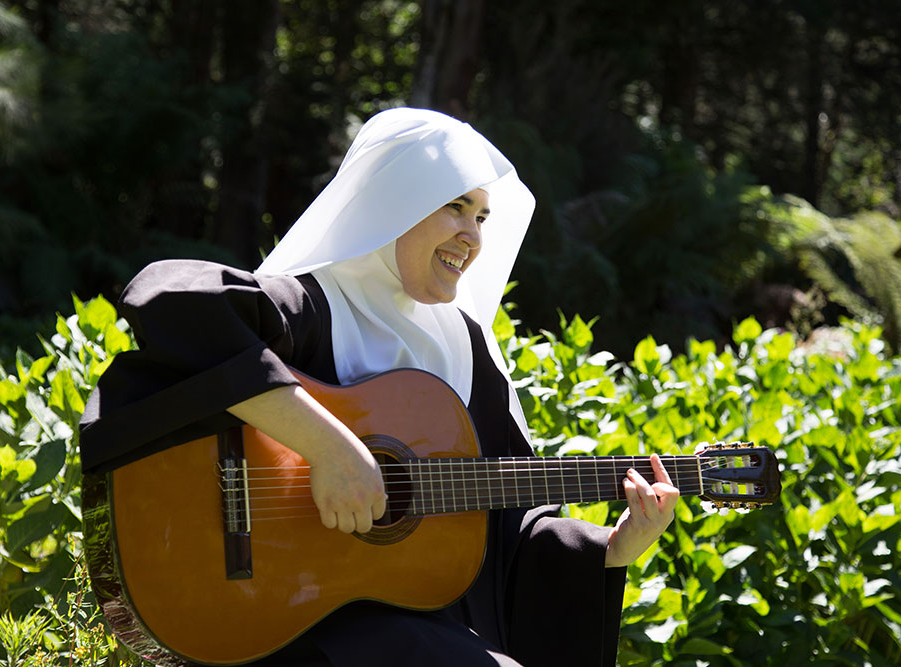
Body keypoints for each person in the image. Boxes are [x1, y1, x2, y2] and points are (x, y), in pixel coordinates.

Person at [80, 107, 679, 666]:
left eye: (482, 216)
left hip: (401, 626)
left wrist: (613, 547)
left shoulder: (466, 350)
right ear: (395, 203)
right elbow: (168, 297)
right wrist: (329, 446)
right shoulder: (315, 303)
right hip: (276, 613)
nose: (473, 236)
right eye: (455, 206)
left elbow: (510, 519)